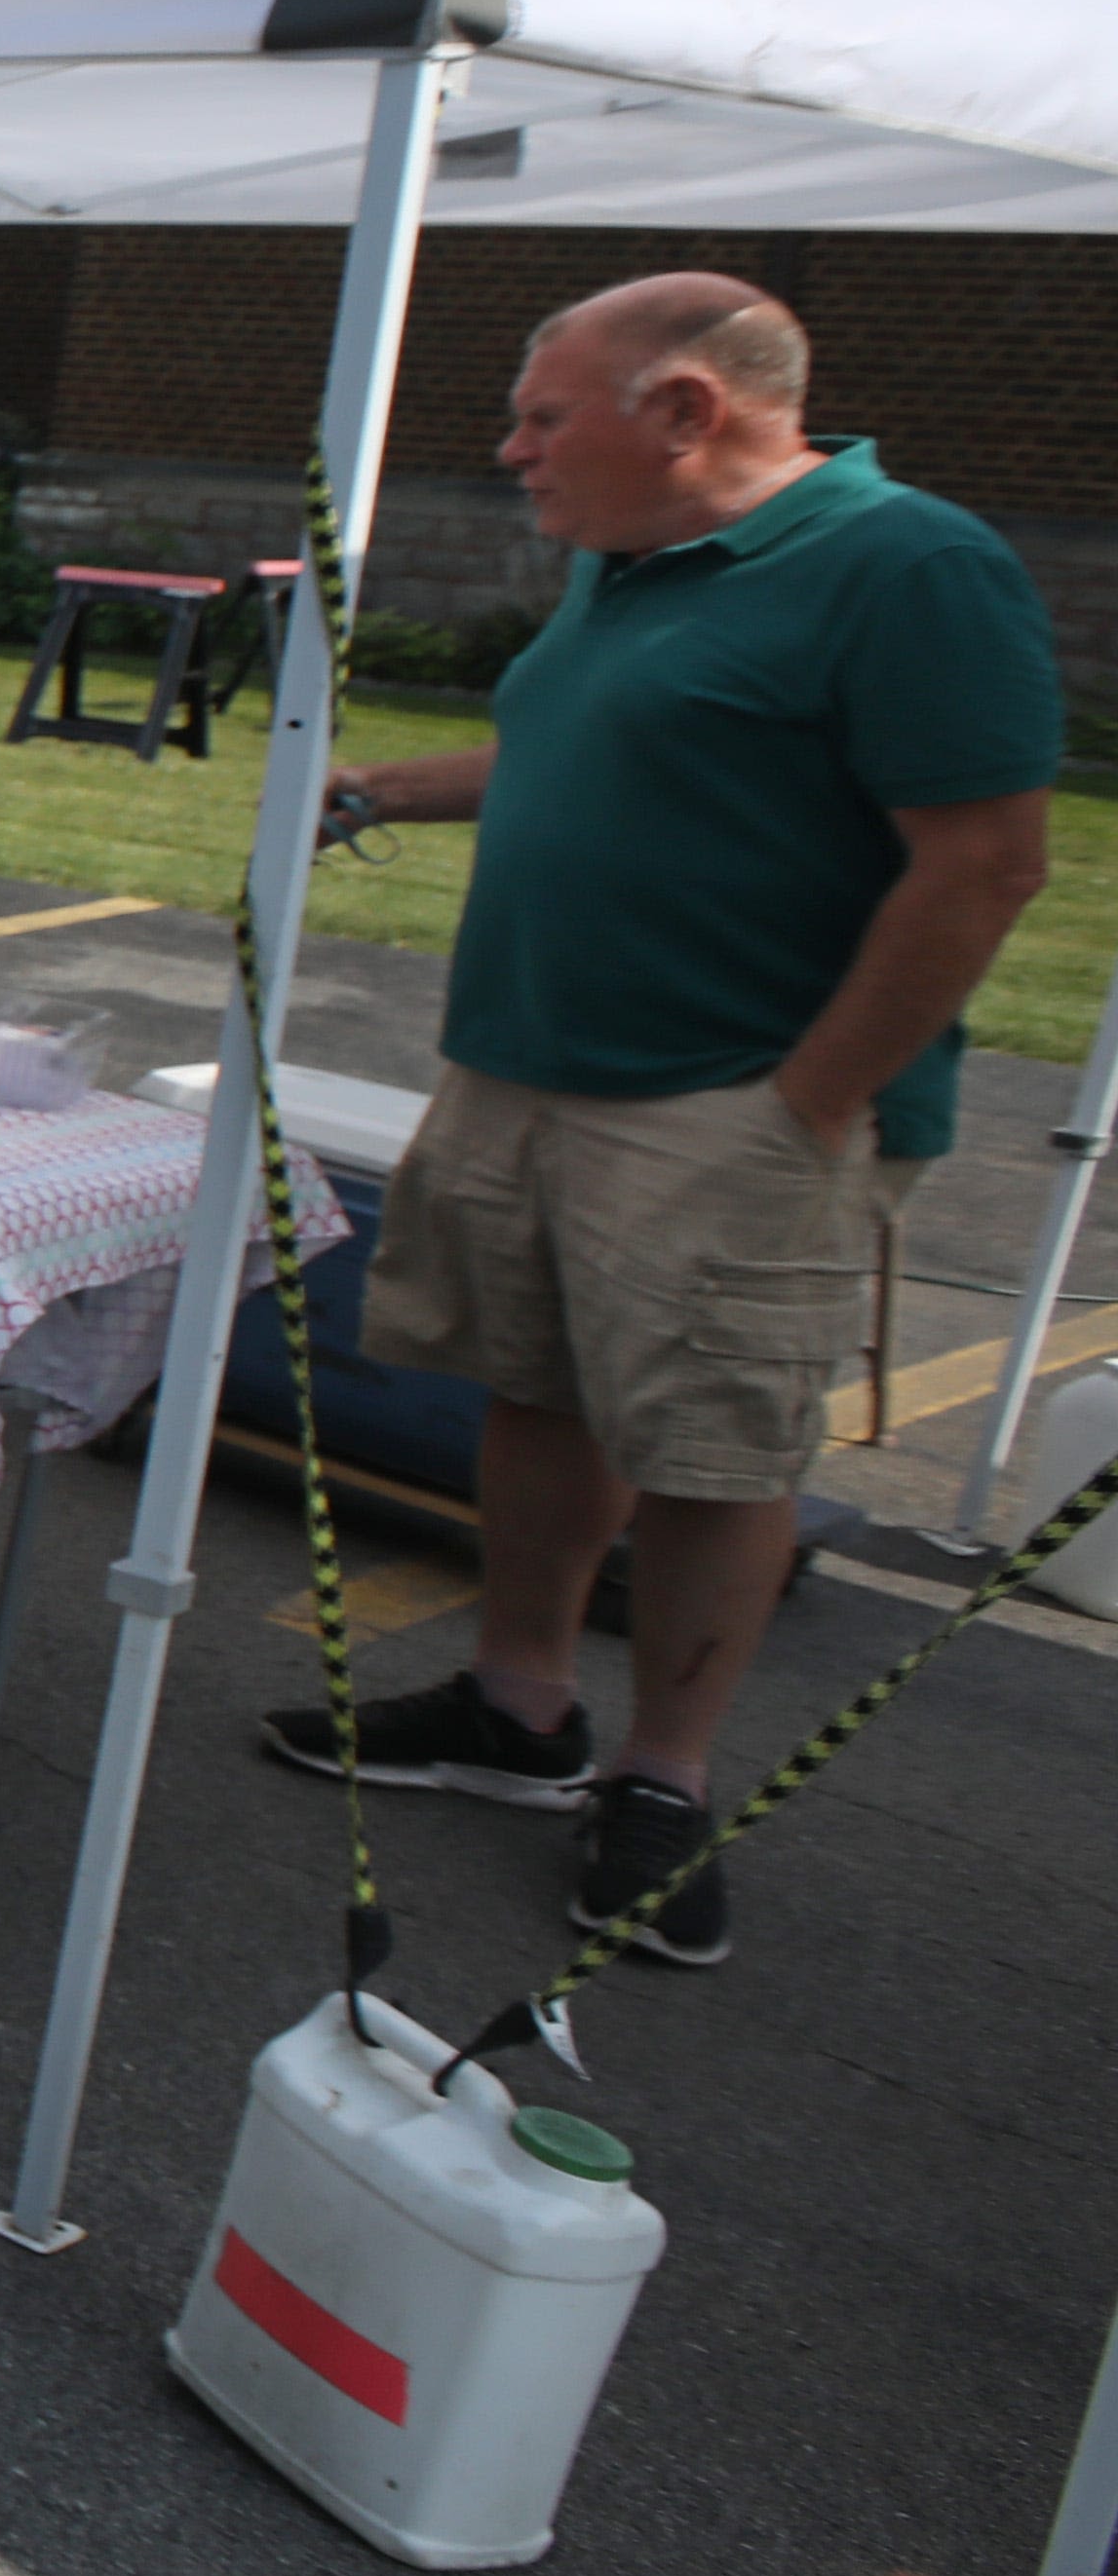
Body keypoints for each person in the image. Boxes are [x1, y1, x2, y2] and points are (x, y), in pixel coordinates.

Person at [265, 276, 1054, 1971]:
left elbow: (984, 860)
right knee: (540, 1387)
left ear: (690, 410)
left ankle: (664, 1775)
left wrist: (810, 1105)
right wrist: (385, 787)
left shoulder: (910, 566)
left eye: (547, 416)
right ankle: (519, 1704)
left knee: (710, 1447)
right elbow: (591, 746)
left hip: (729, 1105)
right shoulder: (629, 562)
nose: (515, 448)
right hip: (529, 1063)